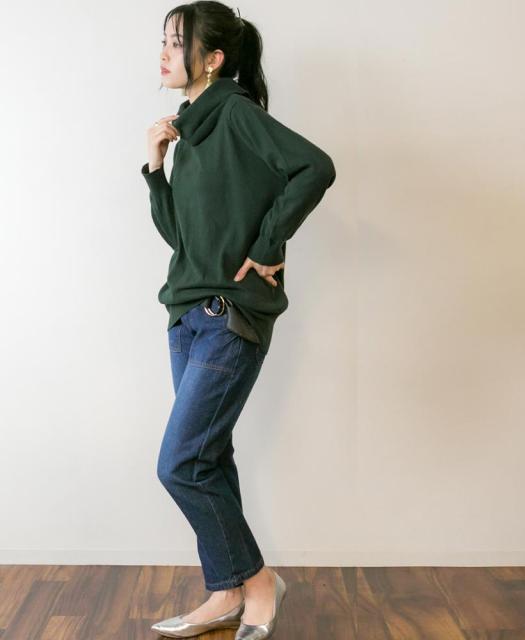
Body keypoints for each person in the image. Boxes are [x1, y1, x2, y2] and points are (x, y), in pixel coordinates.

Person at [140, 2, 336, 638]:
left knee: (180, 463)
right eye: (164, 41)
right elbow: (181, 239)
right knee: (208, 458)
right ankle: (226, 592)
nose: (164, 53)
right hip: (186, 314)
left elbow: (315, 166)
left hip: (229, 315)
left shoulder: (235, 113)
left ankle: (257, 582)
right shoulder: (190, 130)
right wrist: (155, 168)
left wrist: (269, 244)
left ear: (213, 59)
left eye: (177, 42)